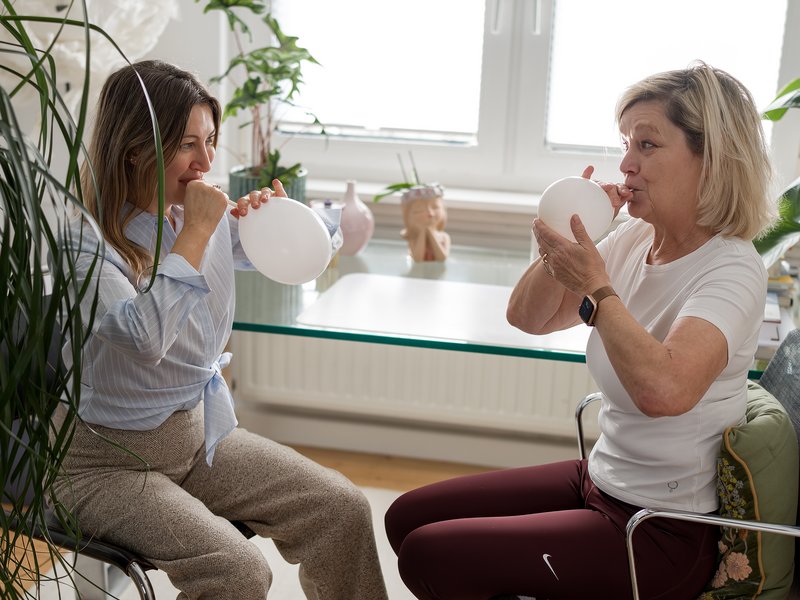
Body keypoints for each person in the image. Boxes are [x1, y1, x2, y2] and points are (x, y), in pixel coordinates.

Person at [384, 61, 775, 600]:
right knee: (407, 518)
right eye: (625, 143)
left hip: (659, 531)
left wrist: (601, 290)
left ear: (711, 158)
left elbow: (666, 389)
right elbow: (528, 317)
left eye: (647, 145)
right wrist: (572, 240)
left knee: (433, 555)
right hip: (599, 480)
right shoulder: (636, 238)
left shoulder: (732, 269)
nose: (625, 164)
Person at [50, 59, 388, 600]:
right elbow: (145, 338)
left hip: (196, 439)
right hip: (102, 465)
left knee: (340, 509)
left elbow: (320, 245)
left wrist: (280, 216)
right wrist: (201, 230)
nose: (206, 162)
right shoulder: (86, 244)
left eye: (210, 142)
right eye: (188, 145)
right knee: (237, 570)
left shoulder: (196, 217)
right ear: (136, 148)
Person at [401, 184, 451, 261]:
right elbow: (418, 259)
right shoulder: (413, 238)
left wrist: (430, 232)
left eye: (435, 207)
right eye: (419, 210)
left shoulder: (444, 237)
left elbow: (442, 258)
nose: (430, 213)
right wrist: (423, 231)